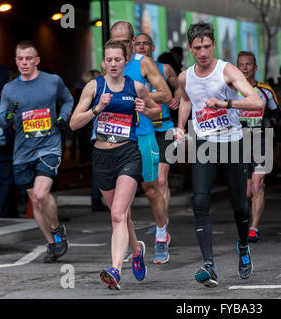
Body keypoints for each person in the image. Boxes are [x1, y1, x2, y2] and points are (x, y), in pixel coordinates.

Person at [175, 22, 264, 287]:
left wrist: (226, 103)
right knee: (200, 202)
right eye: (197, 47)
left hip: (232, 142)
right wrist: (180, 126)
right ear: (190, 49)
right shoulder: (185, 76)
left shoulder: (227, 70)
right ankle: (209, 265)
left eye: (206, 46)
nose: (202, 52)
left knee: (239, 206)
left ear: (213, 45)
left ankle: (243, 245)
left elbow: (257, 102)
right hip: (205, 143)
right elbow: (187, 99)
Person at [69, 40, 161, 290]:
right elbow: (74, 123)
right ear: (103, 62)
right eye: (108, 60)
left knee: (118, 214)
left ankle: (115, 270)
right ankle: (136, 251)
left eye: (117, 60)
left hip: (128, 155)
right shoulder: (94, 86)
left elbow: (157, 112)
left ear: (125, 61)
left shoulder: (137, 87)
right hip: (102, 158)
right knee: (122, 215)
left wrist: (146, 109)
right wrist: (97, 109)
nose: (112, 64)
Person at [0, 40, 73, 262]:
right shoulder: (10, 89)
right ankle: (52, 243)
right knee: (35, 200)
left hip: (49, 146)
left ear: (37, 60)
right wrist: (9, 114)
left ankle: (58, 229)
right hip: (22, 152)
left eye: (29, 58)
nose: (24, 63)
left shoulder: (52, 81)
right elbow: (1, 122)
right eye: (20, 58)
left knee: (41, 194)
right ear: (16, 61)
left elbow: (68, 100)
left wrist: (63, 118)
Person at [110, 21, 173, 264]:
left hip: (144, 133)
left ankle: (160, 234)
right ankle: (127, 239)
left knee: (152, 187)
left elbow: (166, 94)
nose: (119, 46)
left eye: (124, 41)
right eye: (114, 41)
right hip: (119, 137)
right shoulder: (109, 64)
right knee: (120, 195)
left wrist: (137, 94)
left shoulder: (142, 62)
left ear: (133, 41)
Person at [133, 33, 181, 252]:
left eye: (146, 44)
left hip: (165, 128)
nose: (142, 47)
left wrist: (178, 97)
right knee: (152, 183)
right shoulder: (130, 69)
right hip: (144, 130)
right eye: (138, 43)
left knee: (161, 181)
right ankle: (162, 221)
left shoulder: (166, 69)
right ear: (133, 46)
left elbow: (179, 86)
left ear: (152, 46)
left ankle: (164, 224)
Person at [236, 51, 281, 243]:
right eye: (241, 65)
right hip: (238, 142)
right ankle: (246, 223)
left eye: (248, 64)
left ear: (255, 68)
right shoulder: (230, 89)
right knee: (246, 191)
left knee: (257, 185)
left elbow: (277, 112)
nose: (244, 68)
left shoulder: (265, 90)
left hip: (261, 140)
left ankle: (253, 228)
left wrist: (270, 121)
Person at [74, 69, 109, 212]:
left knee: (96, 169)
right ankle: (96, 199)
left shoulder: (78, 93)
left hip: (84, 134)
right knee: (99, 170)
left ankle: (97, 199)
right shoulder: (96, 93)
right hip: (95, 134)